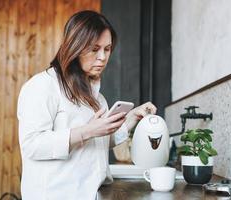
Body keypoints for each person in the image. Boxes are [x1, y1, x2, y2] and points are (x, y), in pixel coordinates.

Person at [17, 10, 156, 200]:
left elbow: (99, 142)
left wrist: (132, 118)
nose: (103, 57)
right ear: (75, 46)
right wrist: (87, 131)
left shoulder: (98, 98)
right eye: (94, 49)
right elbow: (32, 145)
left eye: (107, 49)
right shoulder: (42, 86)